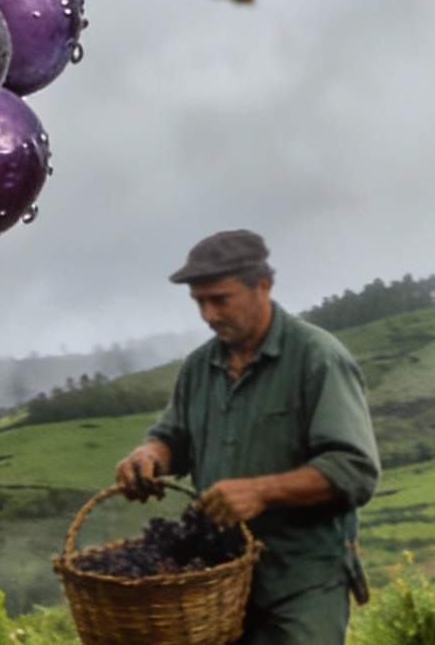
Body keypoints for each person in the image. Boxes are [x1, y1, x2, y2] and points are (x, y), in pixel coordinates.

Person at [111, 231, 380, 645]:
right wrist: (151, 454)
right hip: (218, 582)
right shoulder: (200, 367)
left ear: (264, 286)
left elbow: (355, 469)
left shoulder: (316, 357)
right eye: (200, 302)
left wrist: (263, 491)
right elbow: (173, 436)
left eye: (220, 299)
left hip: (300, 584)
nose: (209, 314)